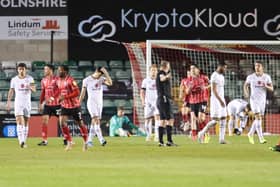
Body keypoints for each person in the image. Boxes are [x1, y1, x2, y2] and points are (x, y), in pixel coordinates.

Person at [56, 65, 88, 151]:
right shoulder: (58, 80)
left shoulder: (71, 80)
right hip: (65, 106)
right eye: (58, 70)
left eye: (60, 70)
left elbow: (77, 92)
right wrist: (58, 98)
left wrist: (65, 97)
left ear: (65, 71)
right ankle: (69, 142)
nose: (58, 72)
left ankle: (85, 142)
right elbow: (60, 91)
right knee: (62, 123)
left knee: (80, 124)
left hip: (74, 106)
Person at [79, 67, 112, 147]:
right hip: (91, 103)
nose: (99, 77)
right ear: (96, 71)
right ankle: (101, 139)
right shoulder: (86, 80)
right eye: (100, 74)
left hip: (99, 103)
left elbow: (110, 83)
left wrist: (106, 73)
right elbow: (83, 93)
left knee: (94, 122)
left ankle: (89, 141)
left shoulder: (101, 79)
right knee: (96, 120)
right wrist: (78, 102)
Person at [6, 63, 36, 148]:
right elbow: (11, 91)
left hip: (27, 103)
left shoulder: (30, 78)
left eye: (23, 69)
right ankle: (21, 141)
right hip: (18, 103)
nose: (21, 71)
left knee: (26, 121)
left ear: (25, 69)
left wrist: (29, 86)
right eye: (20, 69)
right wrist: (8, 102)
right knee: (19, 120)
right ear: (17, 70)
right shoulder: (14, 79)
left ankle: (24, 140)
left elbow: (34, 90)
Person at [244, 61, 273, 144]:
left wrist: (266, 86)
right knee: (258, 117)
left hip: (262, 101)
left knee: (258, 119)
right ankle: (261, 138)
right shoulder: (250, 77)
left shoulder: (267, 77)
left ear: (262, 67)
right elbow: (245, 85)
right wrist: (246, 92)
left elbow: (272, 89)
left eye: (258, 66)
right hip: (253, 100)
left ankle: (250, 134)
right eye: (256, 66)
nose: (257, 67)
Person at [198, 61, 227, 144]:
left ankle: (221, 139)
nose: (225, 69)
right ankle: (201, 133)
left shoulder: (221, 76)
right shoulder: (214, 75)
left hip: (221, 99)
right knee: (215, 121)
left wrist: (206, 87)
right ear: (220, 66)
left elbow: (212, 85)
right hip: (216, 100)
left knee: (224, 118)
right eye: (224, 68)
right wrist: (221, 101)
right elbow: (214, 90)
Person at [183, 64, 209, 141]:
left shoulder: (203, 78)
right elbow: (187, 92)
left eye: (194, 68)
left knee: (201, 118)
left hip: (202, 100)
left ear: (198, 70)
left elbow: (209, 85)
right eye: (191, 69)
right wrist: (190, 88)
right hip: (193, 101)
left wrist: (204, 88)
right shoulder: (188, 80)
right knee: (193, 119)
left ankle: (205, 133)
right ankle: (194, 137)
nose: (193, 70)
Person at [37, 64, 61, 146]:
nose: (44, 71)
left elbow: (59, 90)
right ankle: (44, 140)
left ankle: (66, 138)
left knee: (62, 122)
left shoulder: (57, 79)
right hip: (47, 105)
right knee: (44, 121)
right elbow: (43, 92)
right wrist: (40, 103)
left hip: (57, 104)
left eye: (46, 69)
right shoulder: (43, 80)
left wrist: (52, 98)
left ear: (50, 70)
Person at [156, 60, 177, 146]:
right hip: (164, 99)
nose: (169, 68)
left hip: (161, 99)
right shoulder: (161, 72)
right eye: (168, 66)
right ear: (166, 66)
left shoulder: (160, 73)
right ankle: (169, 141)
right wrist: (167, 76)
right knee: (170, 119)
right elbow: (162, 78)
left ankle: (161, 141)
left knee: (162, 120)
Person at [140, 64, 160, 142]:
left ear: (157, 72)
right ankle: (148, 135)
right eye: (152, 70)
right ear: (149, 72)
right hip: (148, 102)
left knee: (157, 118)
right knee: (147, 120)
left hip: (157, 102)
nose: (153, 72)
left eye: (155, 70)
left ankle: (157, 136)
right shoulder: (145, 81)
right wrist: (142, 101)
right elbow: (142, 91)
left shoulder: (159, 80)